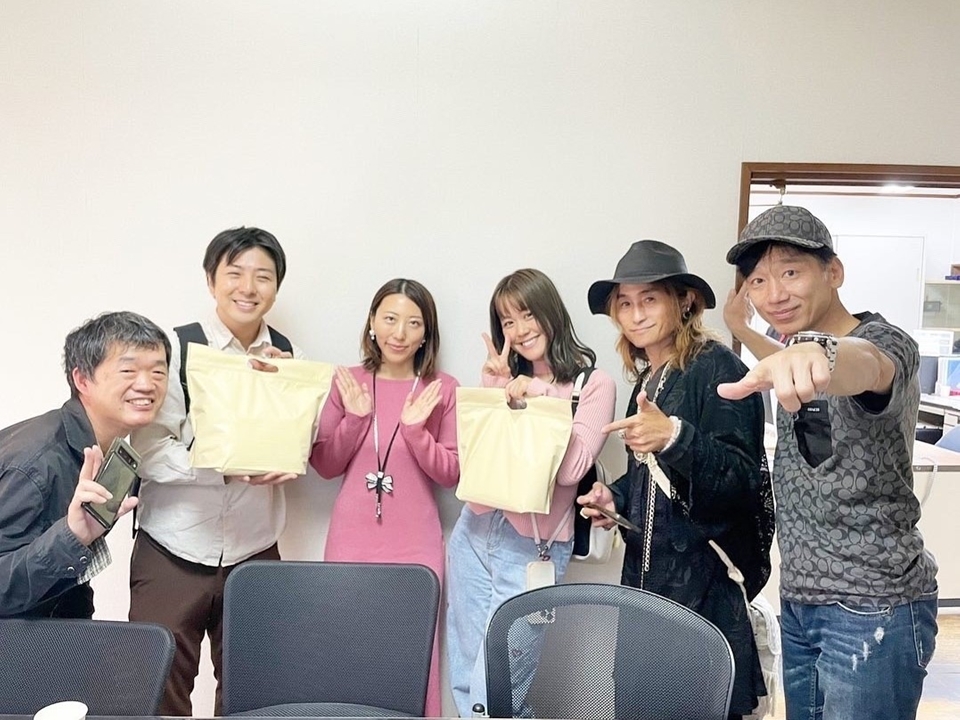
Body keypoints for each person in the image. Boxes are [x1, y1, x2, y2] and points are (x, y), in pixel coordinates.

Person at [719, 205, 938, 720]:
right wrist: (741, 329)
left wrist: (821, 352)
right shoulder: (790, 351)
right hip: (801, 601)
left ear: (833, 272)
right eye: (758, 281)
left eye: (791, 273)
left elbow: (864, 365)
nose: (774, 294)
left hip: (871, 605)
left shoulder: (884, 343)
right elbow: (789, 364)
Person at [579, 240, 772, 720]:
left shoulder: (719, 369)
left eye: (649, 299)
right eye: (625, 303)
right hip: (643, 593)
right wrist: (614, 498)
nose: (636, 315)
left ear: (684, 301)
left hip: (704, 598)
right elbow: (649, 482)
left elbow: (742, 481)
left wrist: (675, 436)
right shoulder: (647, 382)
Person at [130, 227, 305, 716]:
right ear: (211, 281)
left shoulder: (290, 356)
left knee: (257, 690)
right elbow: (147, 450)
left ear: (276, 287)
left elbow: (299, 444)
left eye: (263, 276)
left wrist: (284, 410)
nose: (248, 287)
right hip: (173, 546)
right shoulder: (176, 348)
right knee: (156, 687)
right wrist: (222, 468)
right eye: (235, 273)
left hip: (255, 547)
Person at [446, 268, 616, 717]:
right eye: (507, 322)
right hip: (474, 530)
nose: (519, 330)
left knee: (503, 683)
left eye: (526, 315)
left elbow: (572, 471)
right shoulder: (507, 382)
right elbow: (482, 462)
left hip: (531, 550)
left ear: (549, 311)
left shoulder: (592, 384)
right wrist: (495, 388)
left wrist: (540, 396)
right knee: (466, 676)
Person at [310, 278, 458, 718]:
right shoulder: (347, 382)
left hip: (415, 545)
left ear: (426, 333)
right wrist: (355, 420)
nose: (400, 333)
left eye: (414, 323)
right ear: (372, 323)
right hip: (351, 541)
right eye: (390, 319)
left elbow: (451, 473)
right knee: (345, 654)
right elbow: (324, 465)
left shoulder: (442, 388)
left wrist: (415, 432)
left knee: (412, 661)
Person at [0, 311, 169, 618]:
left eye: (158, 372)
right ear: (82, 380)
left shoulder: (111, 454)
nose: (147, 385)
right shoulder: (36, 463)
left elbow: (72, 581)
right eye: (128, 371)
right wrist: (70, 535)